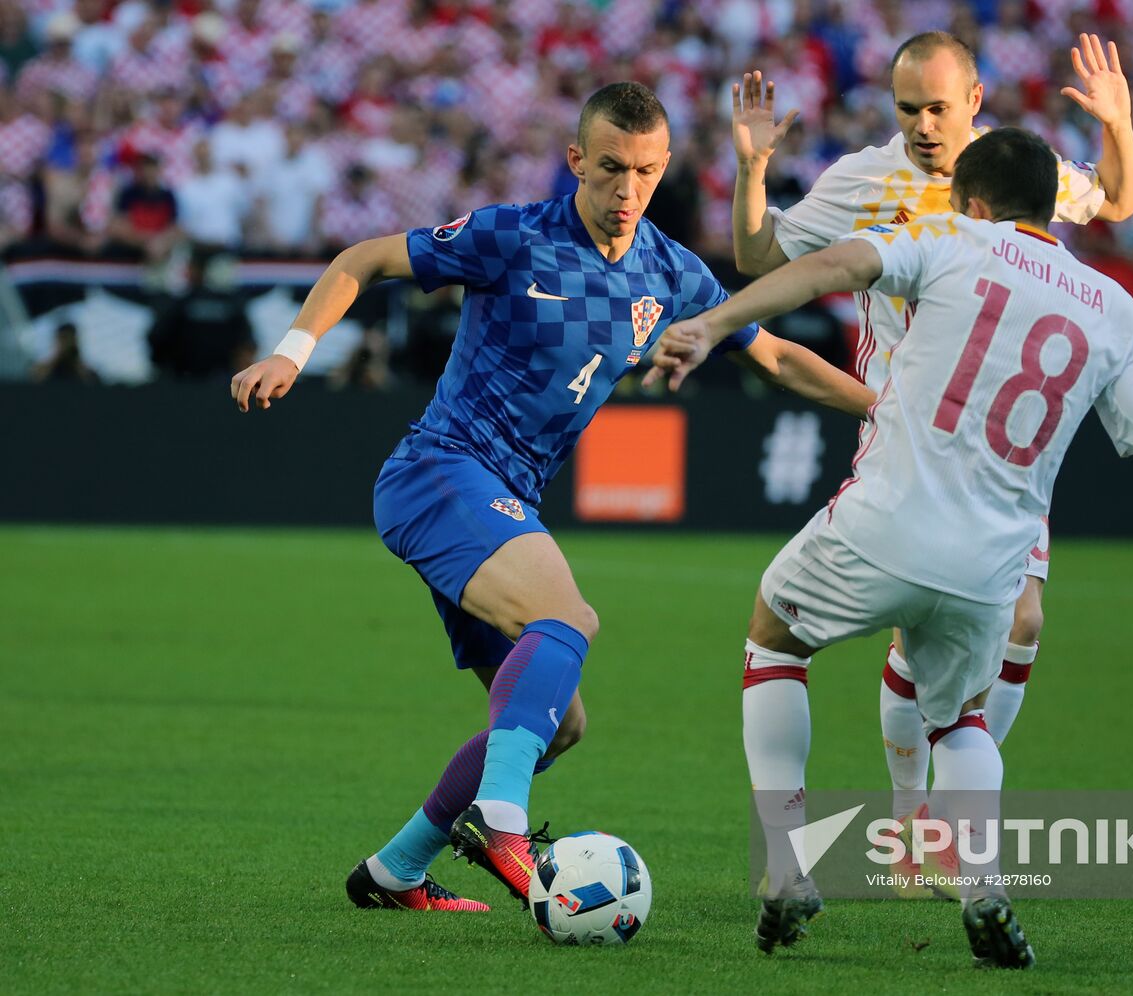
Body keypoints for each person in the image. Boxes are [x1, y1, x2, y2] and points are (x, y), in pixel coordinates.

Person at [229, 82, 875, 914]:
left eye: (644, 172)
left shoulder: (671, 272)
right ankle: (503, 823)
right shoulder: (512, 236)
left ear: (665, 167)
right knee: (567, 620)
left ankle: (393, 872)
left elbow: (780, 359)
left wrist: (889, 411)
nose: (626, 191)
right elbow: (364, 261)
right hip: (440, 471)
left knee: (557, 723)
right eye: (609, 168)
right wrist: (292, 351)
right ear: (576, 159)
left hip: (505, 502)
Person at [649, 127, 1133, 963]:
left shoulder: (946, 238)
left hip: (886, 520)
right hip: (992, 568)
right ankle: (984, 888)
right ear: (1050, 205)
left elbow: (832, 267)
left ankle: (787, 864)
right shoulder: (1113, 307)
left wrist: (716, 322)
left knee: (774, 638)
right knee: (962, 721)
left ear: (973, 203)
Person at [729, 32, 1133, 842]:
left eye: (939, 108)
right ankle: (913, 813)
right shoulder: (864, 181)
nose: (923, 125)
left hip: (998, 445)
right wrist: (752, 171)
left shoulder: (1015, 168)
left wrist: (1118, 127)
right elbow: (758, 254)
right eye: (908, 108)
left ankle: (932, 825)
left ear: (976, 100)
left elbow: (1117, 203)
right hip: (906, 434)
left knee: (1020, 626)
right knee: (926, 629)